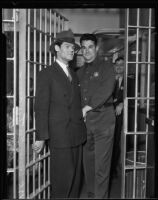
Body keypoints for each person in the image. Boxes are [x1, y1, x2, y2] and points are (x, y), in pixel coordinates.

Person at [33, 29, 87, 199]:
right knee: (63, 181)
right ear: (57, 48)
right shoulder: (46, 74)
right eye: (67, 46)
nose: (72, 50)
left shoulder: (74, 75)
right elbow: (41, 107)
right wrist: (41, 137)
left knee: (75, 181)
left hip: (77, 134)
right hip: (60, 136)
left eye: (73, 47)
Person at [77, 33, 116, 198]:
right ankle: (92, 195)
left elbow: (105, 90)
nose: (87, 51)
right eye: (84, 48)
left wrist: (86, 108)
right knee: (88, 164)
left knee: (101, 165)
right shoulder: (79, 73)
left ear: (97, 48)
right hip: (86, 123)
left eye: (90, 47)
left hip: (103, 120)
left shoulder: (106, 67)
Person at [110, 56, 124, 178]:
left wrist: (122, 103)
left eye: (122, 64)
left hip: (120, 117)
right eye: (117, 64)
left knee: (115, 142)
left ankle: (112, 169)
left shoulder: (131, 81)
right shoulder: (109, 80)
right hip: (107, 115)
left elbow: (134, 97)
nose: (119, 67)